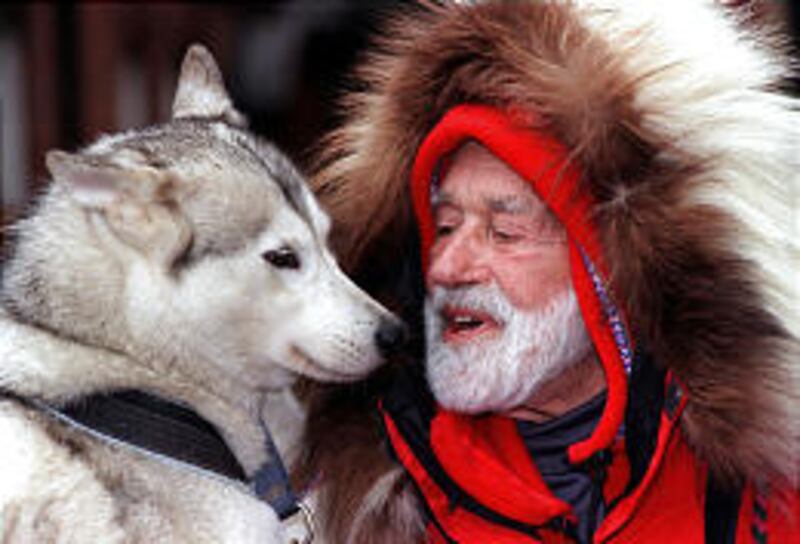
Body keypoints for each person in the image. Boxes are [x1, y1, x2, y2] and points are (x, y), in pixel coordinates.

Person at [298, 1, 800, 542]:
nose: (447, 267)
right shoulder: (331, 516)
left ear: (610, 270)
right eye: (443, 227)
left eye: (504, 232)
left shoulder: (764, 496)